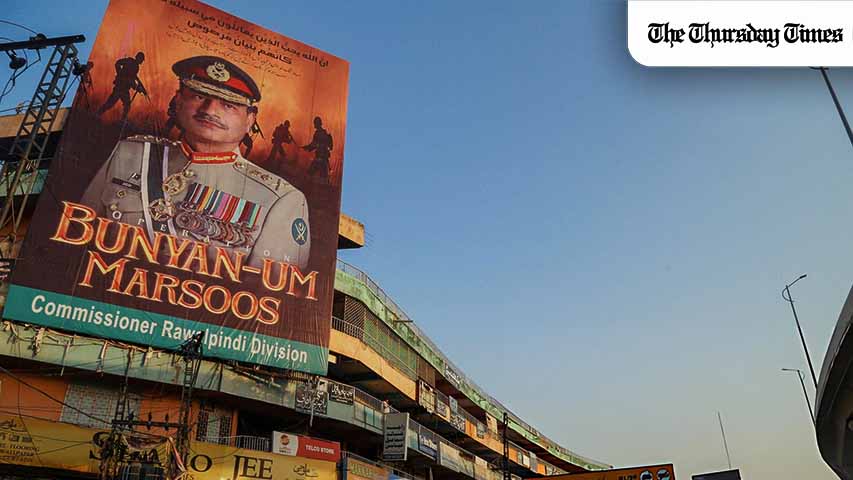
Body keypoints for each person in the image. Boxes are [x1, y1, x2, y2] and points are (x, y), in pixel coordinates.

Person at [81, 55, 311, 269]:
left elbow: (268, 295)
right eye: (200, 96)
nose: (210, 110)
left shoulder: (280, 199)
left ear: (250, 119)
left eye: (228, 105)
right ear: (178, 101)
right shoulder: (130, 152)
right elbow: (78, 232)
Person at [96, 52, 147, 120]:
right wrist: (120, 73)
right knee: (110, 104)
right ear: (138, 58)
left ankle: (122, 120)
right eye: (141, 59)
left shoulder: (135, 67)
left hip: (124, 89)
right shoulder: (130, 61)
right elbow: (118, 63)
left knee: (127, 105)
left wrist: (138, 87)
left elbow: (132, 78)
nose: (142, 62)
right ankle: (97, 114)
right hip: (120, 88)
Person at [303, 116, 333, 181]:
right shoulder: (324, 132)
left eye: (315, 123)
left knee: (310, 173)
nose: (314, 125)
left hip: (320, 157)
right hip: (323, 158)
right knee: (323, 175)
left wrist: (307, 147)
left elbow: (313, 145)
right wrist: (308, 147)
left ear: (317, 124)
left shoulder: (318, 133)